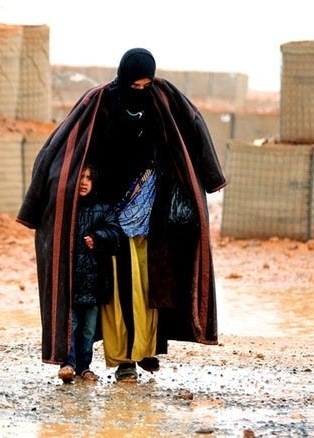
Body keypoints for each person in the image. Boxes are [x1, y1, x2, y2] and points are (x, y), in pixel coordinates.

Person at [17, 47, 227, 383]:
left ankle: (145, 351)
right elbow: (62, 145)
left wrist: (208, 178)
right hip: (110, 215)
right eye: (136, 84)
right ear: (124, 77)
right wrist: (44, 198)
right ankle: (122, 360)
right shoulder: (100, 101)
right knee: (115, 292)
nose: (141, 91)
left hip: (152, 214)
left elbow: (192, 128)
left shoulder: (164, 98)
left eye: (146, 84)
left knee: (150, 288)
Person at [57, 164, 123, 383]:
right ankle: (68, 364)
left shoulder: (104, 209)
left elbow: (115, 234)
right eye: (81, 177)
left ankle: (84, 367)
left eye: (89, 178)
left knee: (87, 330)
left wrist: (98, 237)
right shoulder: (66, 208)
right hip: (71, 282)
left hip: (94, 283)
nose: (84, 182)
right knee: (71, 325)